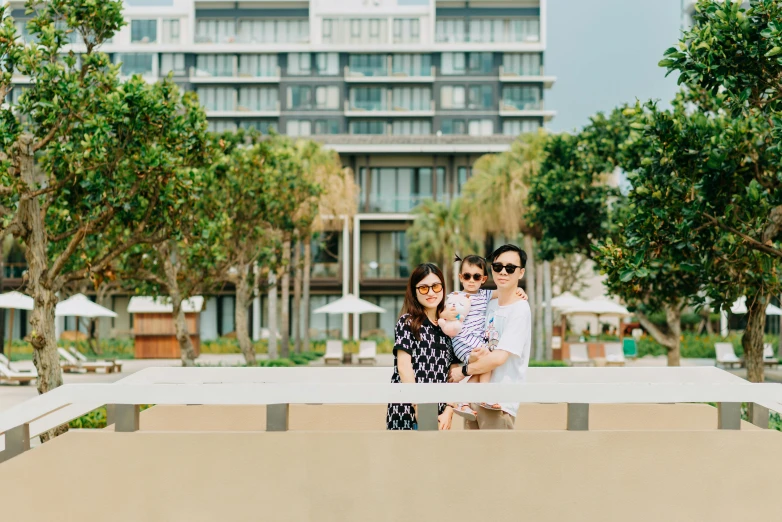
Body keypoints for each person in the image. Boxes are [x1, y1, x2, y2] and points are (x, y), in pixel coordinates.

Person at [448, 244, 532, 430]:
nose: (503, 271)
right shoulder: (489, 304)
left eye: (510, 268)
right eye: (498, 266)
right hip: (474, 401)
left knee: (497, 458)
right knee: (473, 458)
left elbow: (499, 357)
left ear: (521, 273)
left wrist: (463, 371)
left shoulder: (520, 309)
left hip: (499, 403)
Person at [387, 263, 455, 431]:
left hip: (439, 413)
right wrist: (419, 407)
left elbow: (453, 374)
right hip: (407, 408)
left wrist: (449, 410)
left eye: (436, 286)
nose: (431, 293)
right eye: (423, 288)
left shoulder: (448, 328)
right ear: (414, 291)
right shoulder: (407, 322)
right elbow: (404, 367)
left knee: (436, 457)